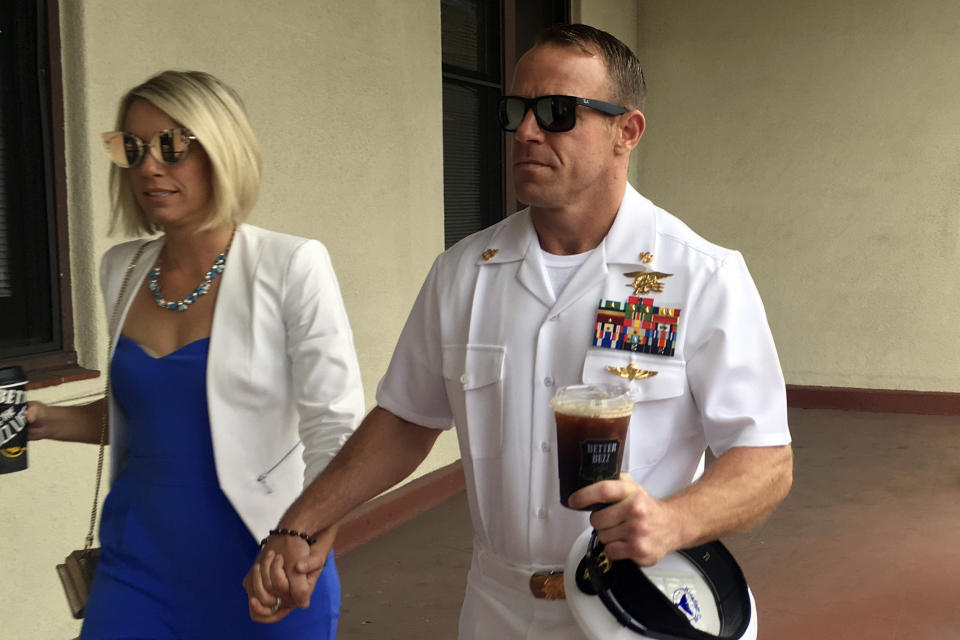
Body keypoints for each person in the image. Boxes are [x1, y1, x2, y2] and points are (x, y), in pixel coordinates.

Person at [244, 24, 793, 639]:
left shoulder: (699, 276)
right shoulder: (464, 274)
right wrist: (303, 522)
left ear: (626, 132)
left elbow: (765, 460)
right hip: (499, 608)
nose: (527, 131)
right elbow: (406, 420)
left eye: (558, 112)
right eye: (517, 110)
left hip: (637, 596)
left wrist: (673, 520)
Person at [26, 70, 364, 638]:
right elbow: (152, 415)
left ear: (223, 151)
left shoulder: (291, 265)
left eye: (173, 146)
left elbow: (336, 429)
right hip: (137, 562)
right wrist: (43, 421)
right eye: (133, 149)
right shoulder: (123, 269)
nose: (150, 166)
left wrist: (305, 542)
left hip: (262, 561)